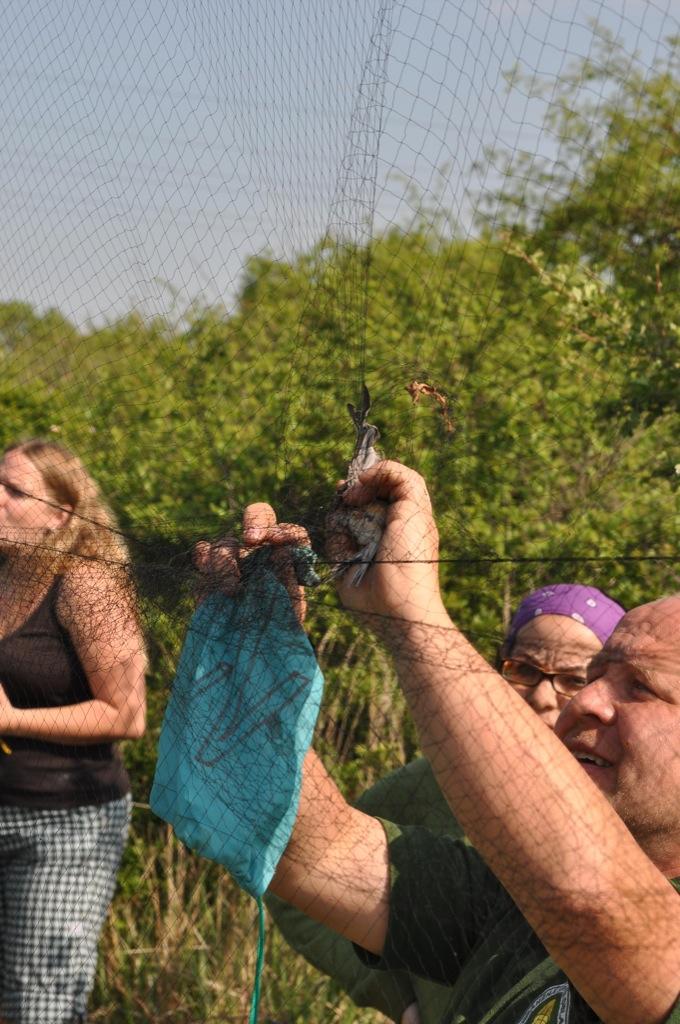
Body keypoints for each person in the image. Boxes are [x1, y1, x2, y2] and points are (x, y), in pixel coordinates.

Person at [221, 462, 680, 1024]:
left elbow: (589, 899)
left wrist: (410, 613)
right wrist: (249, 643)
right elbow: (306, 848)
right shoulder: (505, 903)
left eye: (642, 687)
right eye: (596, 676)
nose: (583, 701)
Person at [265, 583, 626, 1023]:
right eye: (525, 670)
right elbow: (300, 865)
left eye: (574, 679)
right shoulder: (439, 780)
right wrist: (395, 994)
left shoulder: (622, 798)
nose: (543, 696)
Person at [0, 439, 147, 1024]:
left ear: (61, 514)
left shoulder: (87, 583)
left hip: (65, 823)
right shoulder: (4, 571)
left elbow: (126, 714)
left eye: (14, 490)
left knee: (41, 1006)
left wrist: (11, 720)